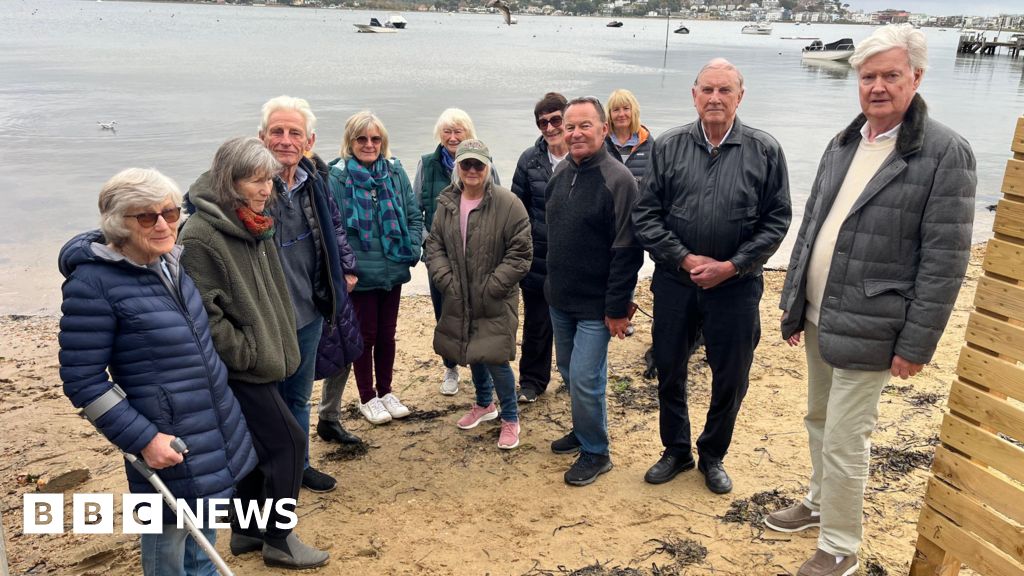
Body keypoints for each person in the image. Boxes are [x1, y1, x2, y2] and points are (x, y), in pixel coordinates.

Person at [766, 25, 976, 576]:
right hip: (818, 313)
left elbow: (946, 260)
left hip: (875, 322)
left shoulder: (945, 153)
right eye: (868, 76)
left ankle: (840, 545)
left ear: (917, 78)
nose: (877, 87)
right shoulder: (847, 140)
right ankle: (817, 503)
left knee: (845, 437)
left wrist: (917, 343)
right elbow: (812, 225)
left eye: (890, 75)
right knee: (817, 417)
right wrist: (792, 303)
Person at [58, 168, 258, 575]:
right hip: (164, 439)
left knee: (204, 535)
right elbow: (83, 380)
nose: (164, 223)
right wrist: (144, 438)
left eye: (169, 211)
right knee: (168, 545)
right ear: (119, 224)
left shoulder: (171, 260)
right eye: (146, 217)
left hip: (211, 426)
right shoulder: (93, 284)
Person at [632, 58, 791, 495]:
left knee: (731, 374)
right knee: (669, 366)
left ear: (740, 96)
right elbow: (645, 215)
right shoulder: (668, 146)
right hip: (675, 282)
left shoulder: (764, 149)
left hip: (736, 287)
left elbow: (777, 221)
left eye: (725, 90)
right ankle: (676, 450)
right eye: (707, 90)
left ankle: (713, 454)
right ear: (694, 95)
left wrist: (733, 265)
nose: (715, 98)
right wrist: (684, 259)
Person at [545, 96, 644, 486]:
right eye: (570, 126)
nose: (576, 133)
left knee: (587, 377)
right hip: (560, 297)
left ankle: (596, 451)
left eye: (585, 125)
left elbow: (628, 249)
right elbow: (552, 236)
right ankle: (582, 429)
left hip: (596, 305)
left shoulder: (618, 180)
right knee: (570, 372)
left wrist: (617, 307)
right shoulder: (559, 174)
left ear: (604, 130)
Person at [258, 95, 350, 493]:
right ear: (261, 137)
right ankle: (265, 475)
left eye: (294, 132)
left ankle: (299, 466)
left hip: (309, 309)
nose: (285, 140)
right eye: (277, 131)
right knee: (264, 404)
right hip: (263, 316)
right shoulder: (245, 184)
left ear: (308, 140)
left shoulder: (315, 180)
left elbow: (334, 226)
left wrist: (345, 269)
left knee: (298, 397)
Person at [425, 139, 532, 449]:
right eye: (466, 164)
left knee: (496, 357)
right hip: (458, 294)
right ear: (457, 167)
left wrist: (493, 286)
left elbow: (521, 253)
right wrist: (446, 279)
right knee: (470, 350)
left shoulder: (508, 203)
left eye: (478, 164)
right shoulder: (447, 202)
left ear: (488, 167)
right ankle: (485, 405)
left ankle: (510, 418)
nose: (472, 170)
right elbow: (434, 246)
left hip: (494, 297)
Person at [327, 111, 423, 425]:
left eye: (375, 138)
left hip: (392, 267)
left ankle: (386, 391)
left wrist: (411, 249)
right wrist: (346, 268)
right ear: (350, 141)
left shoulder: (394, 172)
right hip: (360, 272)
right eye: (362, 139)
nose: (369, 144)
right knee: (365, 337)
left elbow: (413, 214)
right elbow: (334, 227)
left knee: (387, 335)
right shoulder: (337, 177)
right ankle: (367, 397)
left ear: (383, 141)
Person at [414, 108, 499, 396]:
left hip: (477, 257)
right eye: (447, 131)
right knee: (445, 315)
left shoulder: (484, 162)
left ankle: (481, 371)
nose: (452, 137)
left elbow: (498, 205)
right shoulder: (426, 164)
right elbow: (415, 210)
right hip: (440, 258)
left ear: (468, 133)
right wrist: (428, 246)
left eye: (458, 131)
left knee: (479, 313)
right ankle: (450, 368)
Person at [510, 92, 568, 403]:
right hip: (539, 257)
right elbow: (516, 210)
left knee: (578, 325)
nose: (549, 127)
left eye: (555, 120)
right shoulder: (528, 160)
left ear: (567, 118)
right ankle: (532, 382)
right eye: (542, 122)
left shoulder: (588, 154)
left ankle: (575, 379)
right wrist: (522, 252)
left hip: (577, 261)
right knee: (536, 325)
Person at [604, 88, 654, 185]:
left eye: (626, 109)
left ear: (634, 111)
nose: (621, 114)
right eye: (616, 110)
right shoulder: (601, 143)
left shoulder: (648, 143)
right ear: (609, 114)